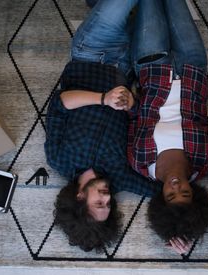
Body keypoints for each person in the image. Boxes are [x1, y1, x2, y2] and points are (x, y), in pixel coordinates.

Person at [128, 0, 208, 254]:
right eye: (184, 192)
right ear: (194, 193)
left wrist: (177, 235)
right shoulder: (207, 162)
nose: (176, 186)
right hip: (193, 66)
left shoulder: (139, 163)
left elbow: (132, 116)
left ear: (161, 198)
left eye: (171, 195)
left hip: (151, 66)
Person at [44, 0, 158, 252]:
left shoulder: (58, 159)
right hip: (131, 65)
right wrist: (132, 104)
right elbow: (163, 193)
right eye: (108, 206)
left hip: (92, 53)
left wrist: (102, 99)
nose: (107, 198)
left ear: (80, 198)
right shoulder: (119, 178)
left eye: (99, 204)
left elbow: (60, 103)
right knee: (155, 9)